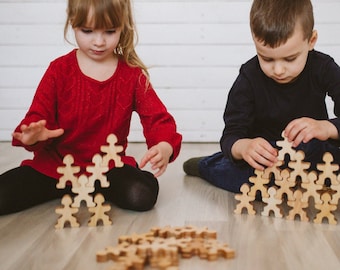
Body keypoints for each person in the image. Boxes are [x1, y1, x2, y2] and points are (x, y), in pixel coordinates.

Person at [0, 0, 182, 215]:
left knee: (140, 195)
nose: (99, 41)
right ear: (73, 24)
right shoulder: (59, 70)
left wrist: (164, 146)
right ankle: (71, 188)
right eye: (87, 31)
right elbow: (37, 116)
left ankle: (94, 188)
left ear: (123, 26)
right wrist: (33, 136)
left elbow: (157, 118)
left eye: (110, 31)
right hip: (56, 167)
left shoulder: (132, 75)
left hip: (107, 169)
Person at [183, 0, 340, 194]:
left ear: (311, 41)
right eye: (266, 58)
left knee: (320, 152)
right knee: (247, 179)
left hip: (312, 150)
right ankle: (208, 165)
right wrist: (244, 147)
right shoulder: (249, 77)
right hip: (267, 159)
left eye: (290, 59)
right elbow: (231, 134)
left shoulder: (323, 68)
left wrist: (326, 127)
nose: (278, 70)